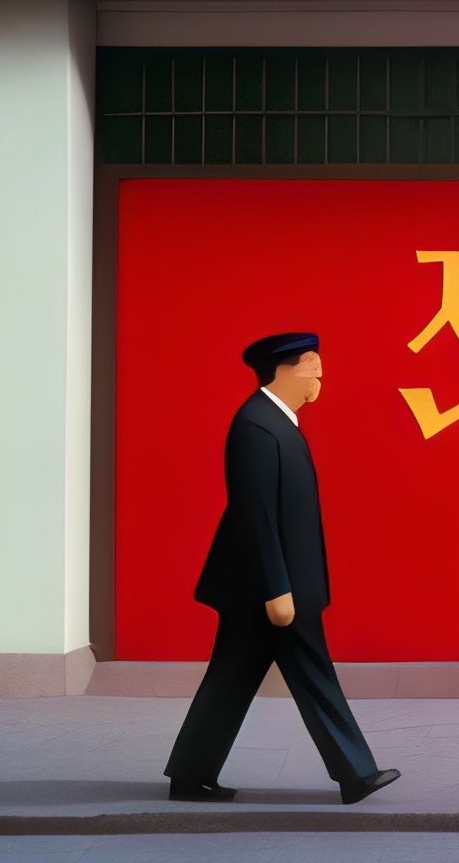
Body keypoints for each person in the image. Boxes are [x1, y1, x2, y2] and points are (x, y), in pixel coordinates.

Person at [163, 331, 400, 805]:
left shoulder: (276, 423)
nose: (320, 373)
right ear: (283, 370)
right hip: (271, 588)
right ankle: (355, 774)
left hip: (273, 586)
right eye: (311, 363)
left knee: (232, 678)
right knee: (304, 673)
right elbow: (255, 514)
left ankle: (190, 776)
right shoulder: (256, 426)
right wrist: (277, 588)